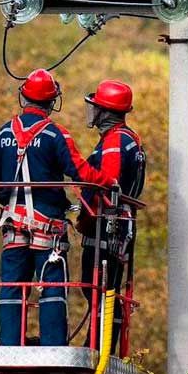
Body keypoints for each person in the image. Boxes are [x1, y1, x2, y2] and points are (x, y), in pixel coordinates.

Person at [0, 68, 116, 346]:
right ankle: (53, 344)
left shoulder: (1, 134)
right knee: (53, 287)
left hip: (12, 229)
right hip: (48, 231)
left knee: (12, 288)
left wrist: (5, 196)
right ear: (53, 101)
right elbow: (80, 171)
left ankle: (10, 345)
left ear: (24, 97)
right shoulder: (56, 135)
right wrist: (109, 183)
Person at [78, 80, 145, 352]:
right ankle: (100, 344)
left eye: (95, 107)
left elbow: (107, 183)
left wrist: (88, 216)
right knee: (106, 289)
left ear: (105, 112)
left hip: (107, 226)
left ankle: (96, 346)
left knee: (96, 286)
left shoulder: (115, 142)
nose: (90, 111)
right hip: (119, 225)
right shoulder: (129, 140)